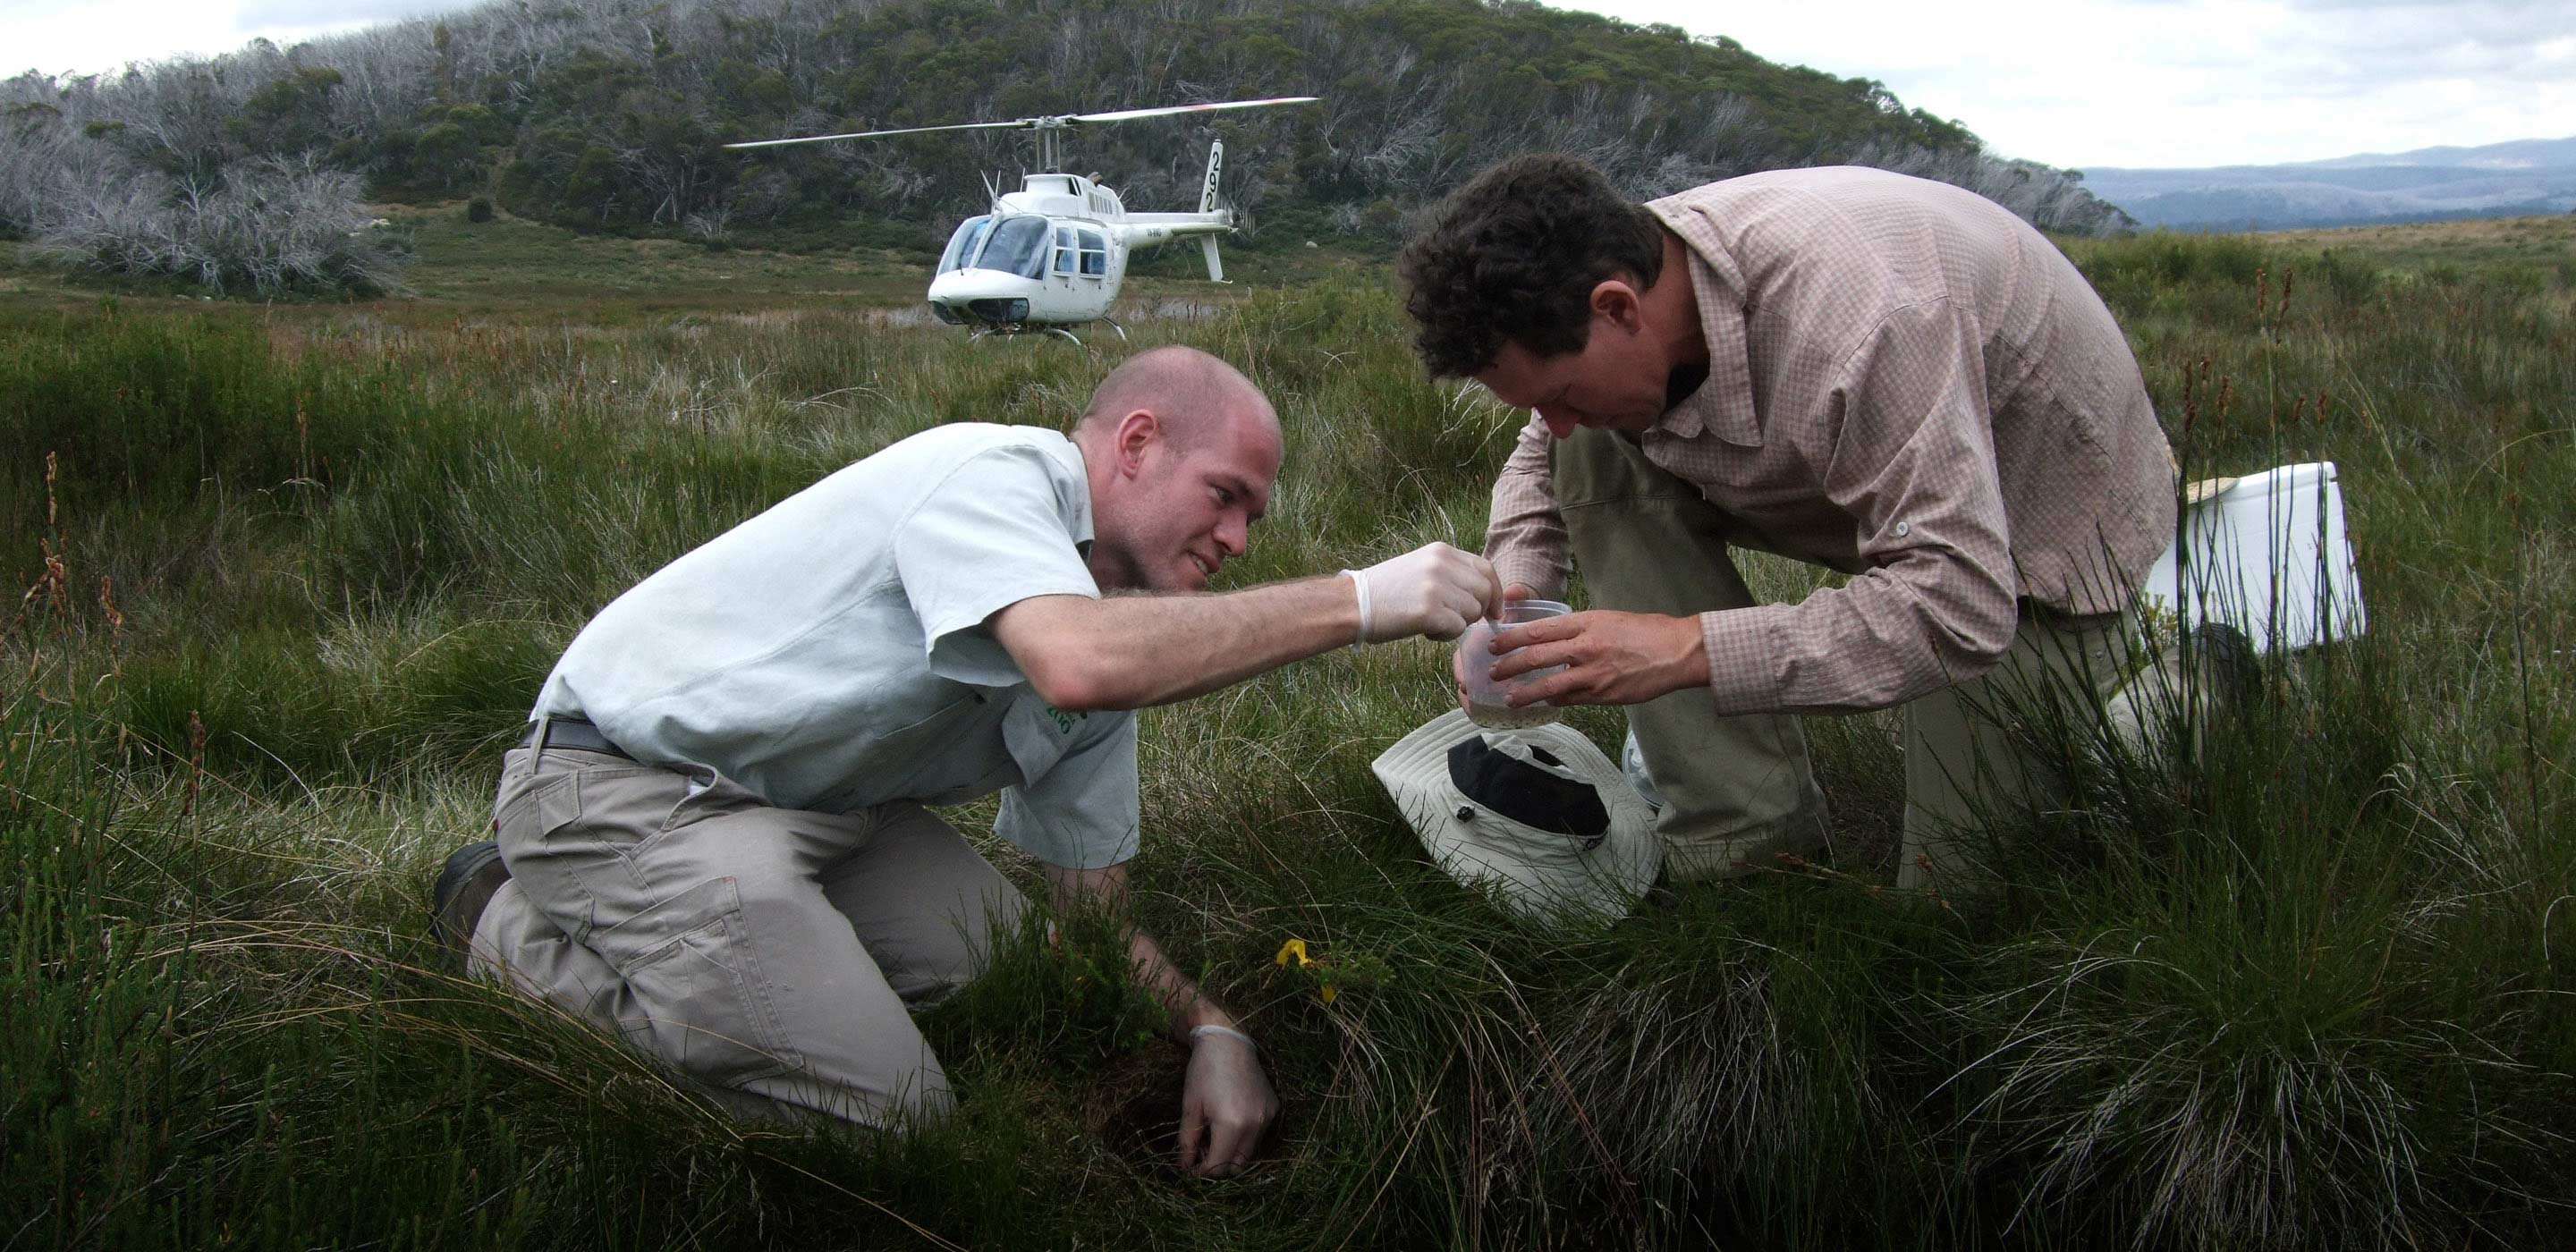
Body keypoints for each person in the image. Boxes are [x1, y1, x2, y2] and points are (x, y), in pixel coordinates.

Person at [428, 345, 1501, 1176]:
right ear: (1136, 442)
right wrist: (1360, 601)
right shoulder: (995, 475)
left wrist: (1214, 1027)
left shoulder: (1111, 625)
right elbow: (1077, 662)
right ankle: (500, 923)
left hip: (819, 809)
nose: (1239, 541)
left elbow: (1088, 905)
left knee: (1007, 970)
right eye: (1226, 496)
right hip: (624, 785)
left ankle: (760, 977)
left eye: (1254, 516)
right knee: (890, 1122)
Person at [1397, 156, 2178, 893]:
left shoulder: (1867, 326)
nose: (1554, 422)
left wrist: (1683, 648)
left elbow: (1959, 605)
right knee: (1593, 451)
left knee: (1959, 898)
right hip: (1873, 479)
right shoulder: (1618, 267)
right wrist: (1515, 603)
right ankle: (1743, 834)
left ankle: (2182, 692)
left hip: (2034, 540)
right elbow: (1546, 451)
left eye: (1561, 394)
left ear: (1618, 308)